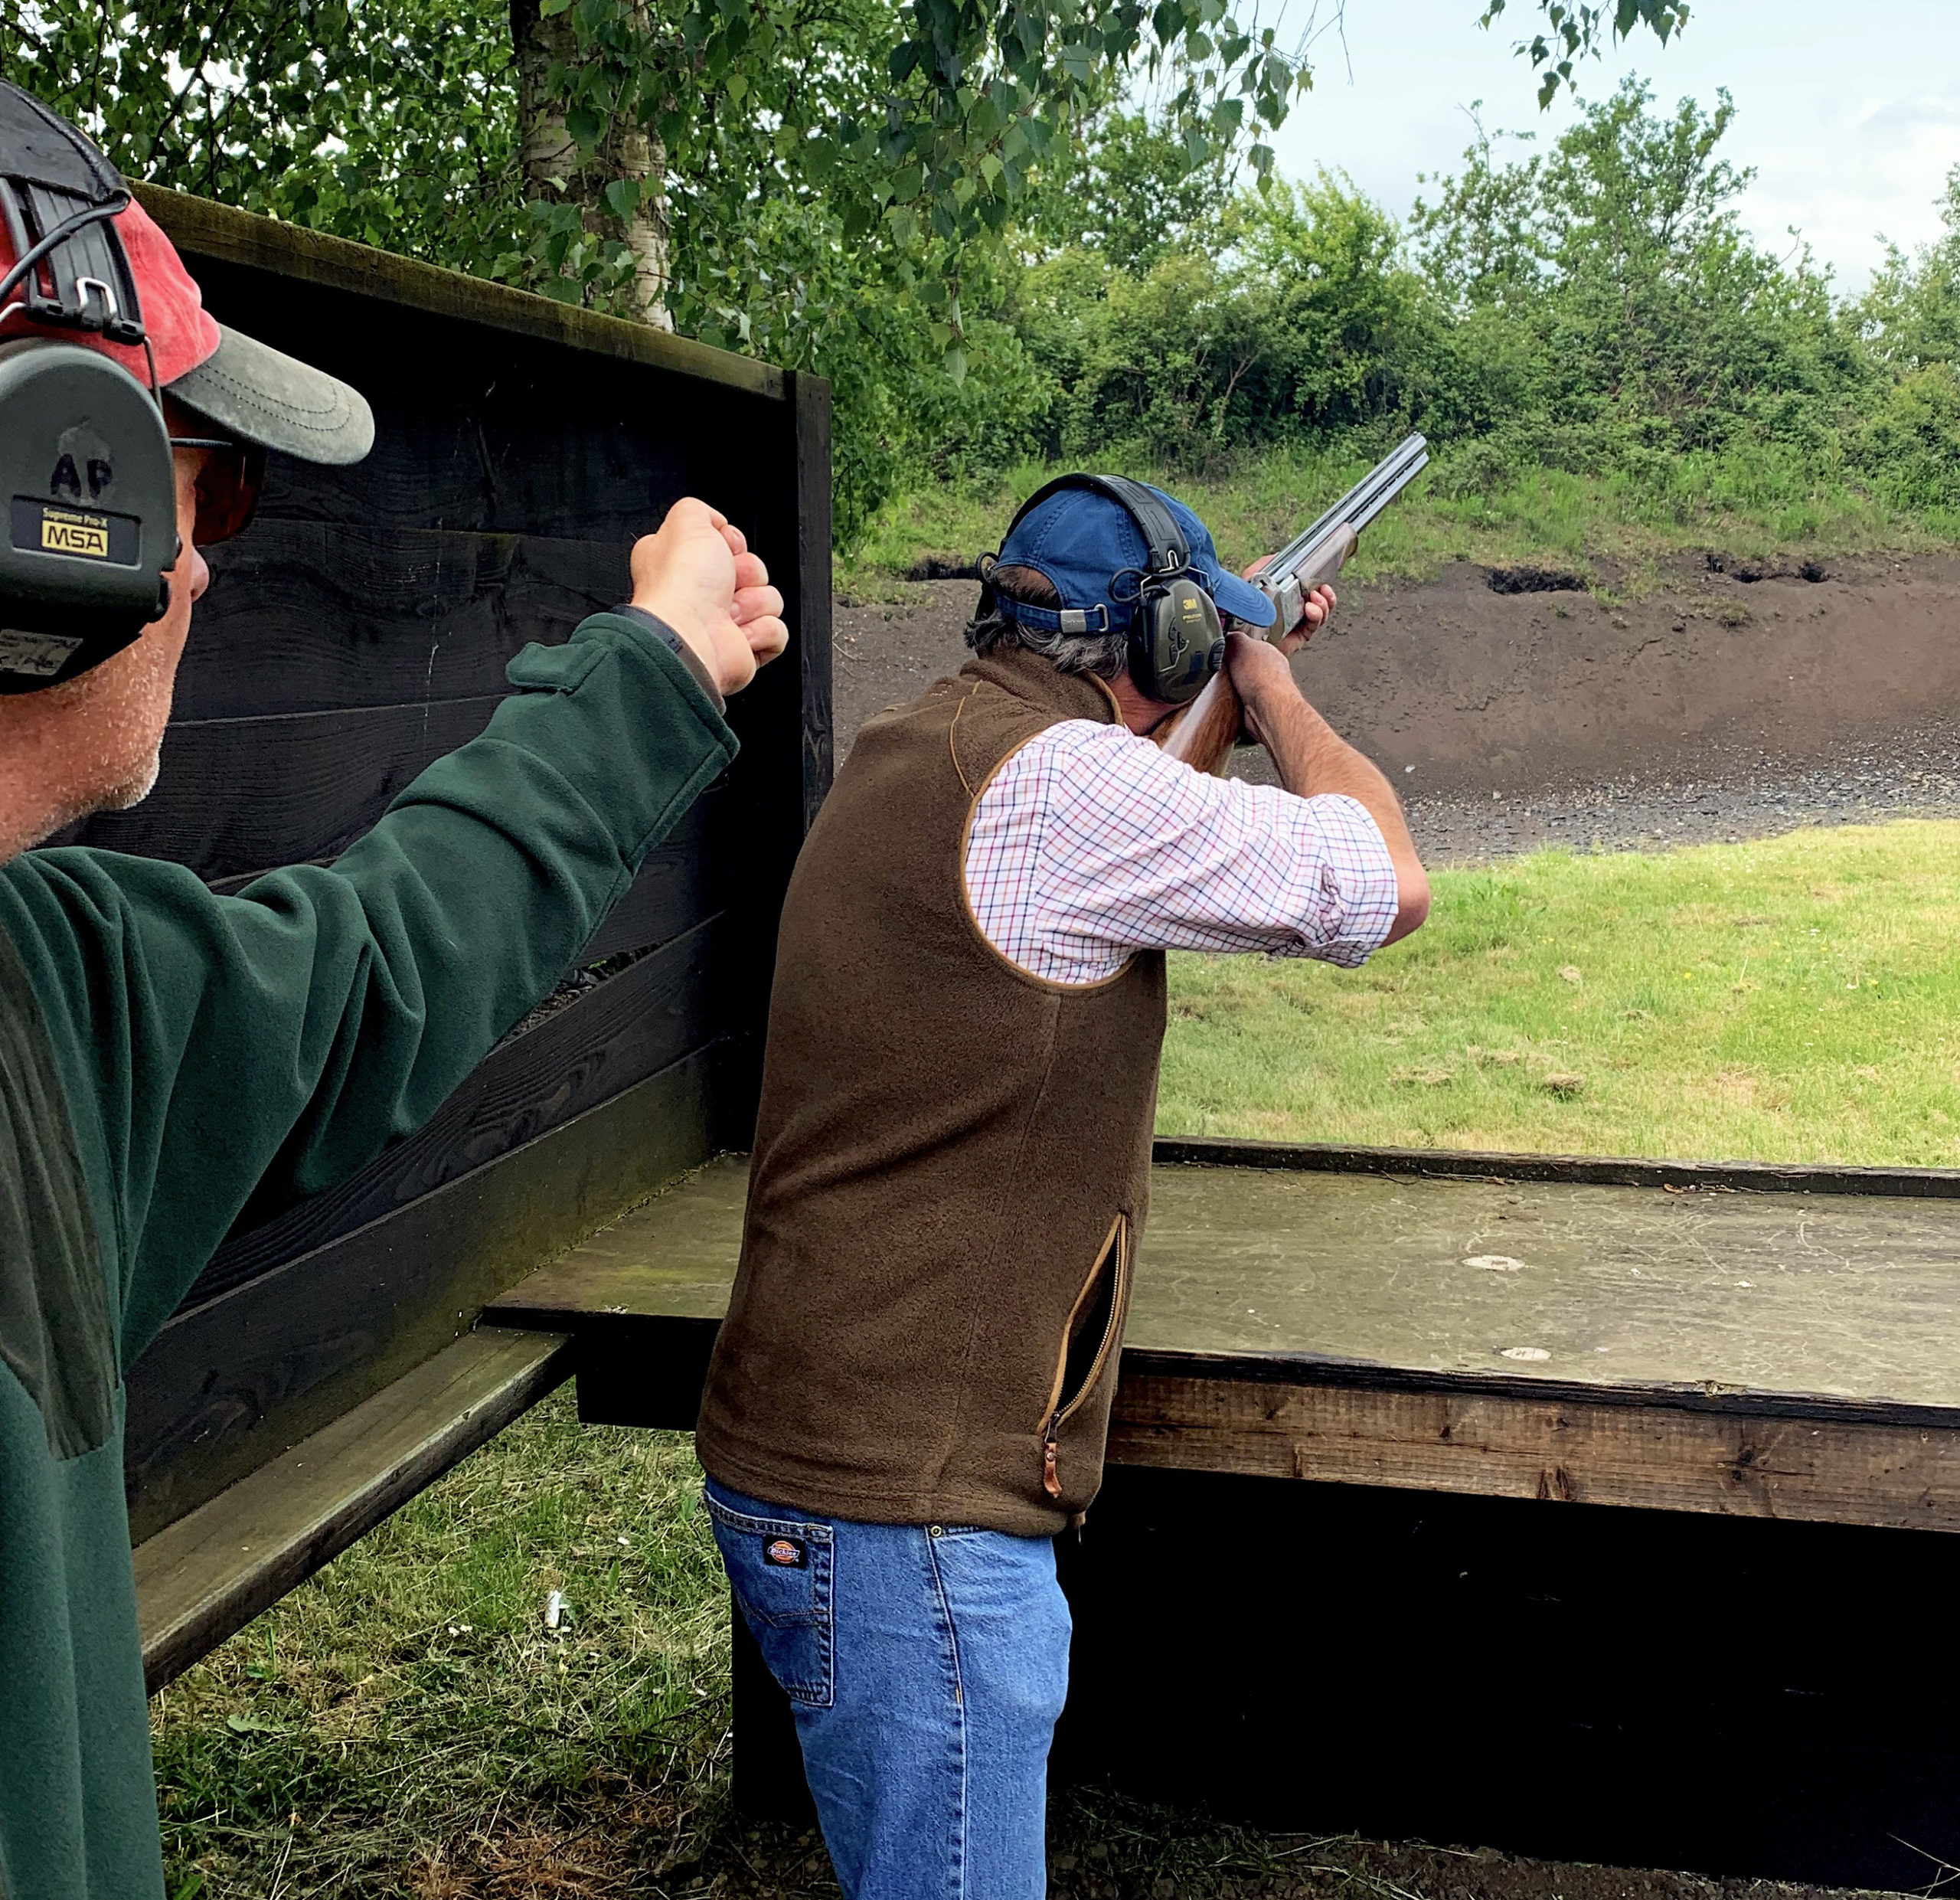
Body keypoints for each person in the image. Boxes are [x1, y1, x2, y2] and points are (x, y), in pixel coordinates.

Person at [0, 85, 786, 1900]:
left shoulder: (55, 986)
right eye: (190, 483)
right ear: (51, 494)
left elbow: (374, 958)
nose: (203, 561)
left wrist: (655, 667)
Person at [694, 475, 1429, 1900]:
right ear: (1163, 646)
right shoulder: (1065, 786)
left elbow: (1125, 827)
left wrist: (1224, 661)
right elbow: (1385, 879)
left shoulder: (930, 746)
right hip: (915, 1521)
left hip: (821, 1463)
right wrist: (1269, 677)